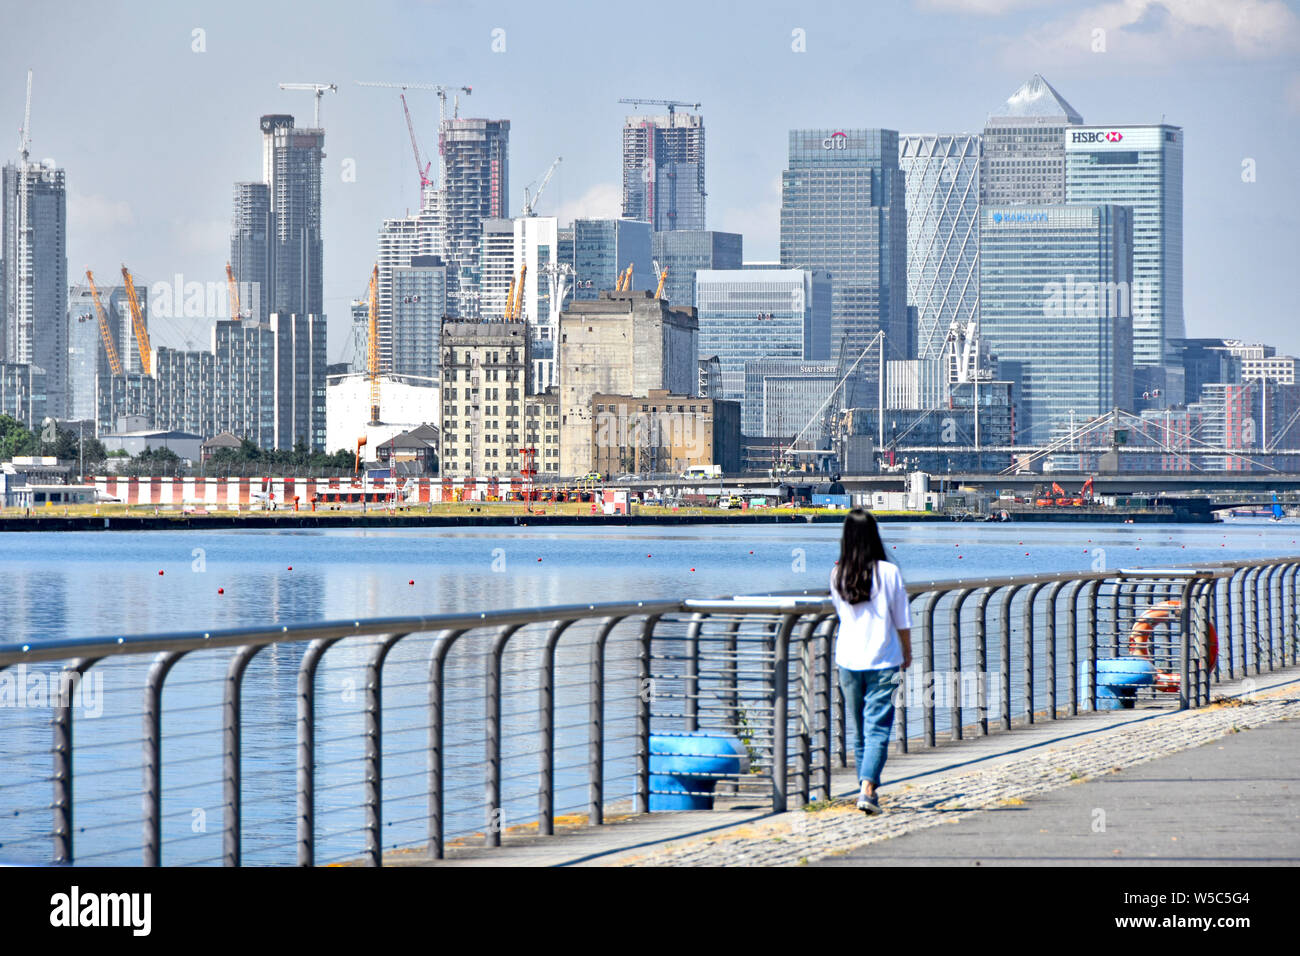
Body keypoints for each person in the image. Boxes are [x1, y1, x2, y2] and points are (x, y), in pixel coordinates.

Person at [829, 508, 912, 814]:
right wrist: (907, 652)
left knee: (860, 728)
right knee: (878, 728)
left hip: (848, 661)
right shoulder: (888, 573)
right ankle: (867, 789)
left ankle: (864, 789)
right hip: (885, 660)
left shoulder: (838, 574)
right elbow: (902, 619)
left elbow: (841, 615)